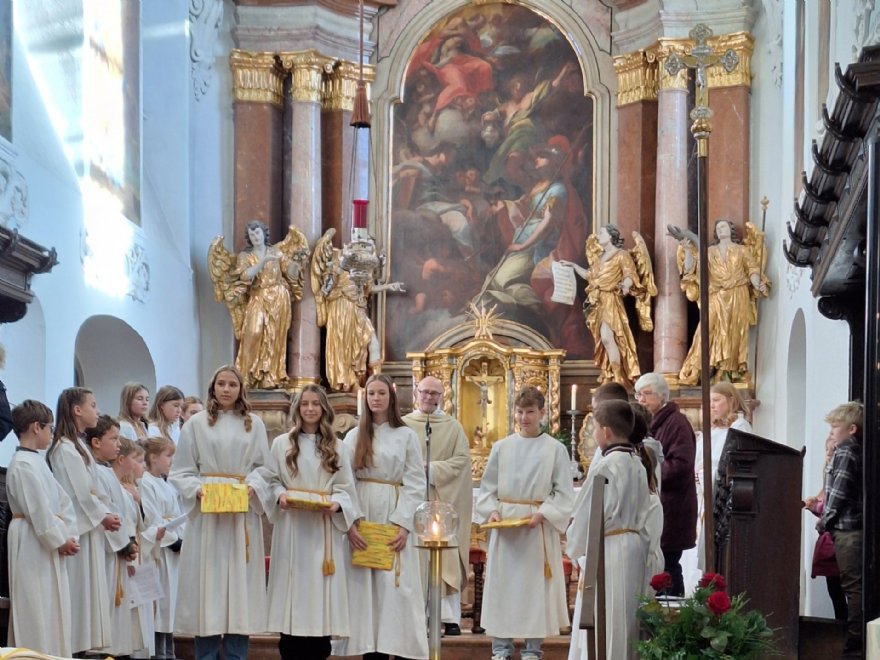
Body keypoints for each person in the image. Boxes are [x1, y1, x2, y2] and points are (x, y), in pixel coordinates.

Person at [169, 365, 270, 660]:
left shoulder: (254, 424)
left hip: (241, 515)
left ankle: (237, 655)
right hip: (208, 515)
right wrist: (197, 490)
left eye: (232, 385)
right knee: (208, 590)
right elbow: (182, 470)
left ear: (241, 390)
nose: (226, 389)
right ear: (213, 387)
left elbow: (265, 469)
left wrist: (253, 485)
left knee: (240, 592)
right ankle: (206, 655)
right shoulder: (196, 424)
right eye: (221, 384)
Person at [256, 384, 361, 660]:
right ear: (297, 408)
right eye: (305, 404)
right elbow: (271, 481)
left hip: (322, 532)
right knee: (292, 604)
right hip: (292, 529)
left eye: (316, 403)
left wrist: (338, 503)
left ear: (324, 409)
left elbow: (346, 487)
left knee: (319, 606)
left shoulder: (336, 446)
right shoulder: (282, 444)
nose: (310, 408)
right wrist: (279, 495)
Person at [334, 374, 429, 660]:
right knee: (366, 589)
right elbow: (344, 481)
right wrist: (350, 523)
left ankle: (398, 649)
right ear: (366, 398)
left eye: (381, 394)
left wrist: (403, 524)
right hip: (362, 515)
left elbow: (415, 482)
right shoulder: (353, 436)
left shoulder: (406, 436)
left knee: (396, 589)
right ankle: (370, 651)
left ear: (391, 398)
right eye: (371, 394)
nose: (376, 399)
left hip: (393, 515)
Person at [475, 386, 574, 660]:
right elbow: (487, 489)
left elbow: (563, 492)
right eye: (519, 411)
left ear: (542, 413)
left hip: (535, 526)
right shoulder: (501, 447)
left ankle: (533, 648)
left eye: (530, 412)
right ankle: (501, 648)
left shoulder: (555, 449)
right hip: (506, 528)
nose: (524, 417)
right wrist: (492, 511)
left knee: (533, 590)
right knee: (502, 587)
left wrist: (544, 513)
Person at [566, 400, 652, 660]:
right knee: (627, 622)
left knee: (610, 621)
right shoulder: (637, 463)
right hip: (634, 548)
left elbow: (586, 516)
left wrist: (575, 546)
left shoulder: (606, 466)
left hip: (609, 551)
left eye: (593, 428)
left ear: (605, 431)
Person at [47, 387, 121, 655]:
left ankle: (84, 649)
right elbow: (78, 493)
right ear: (77, 410)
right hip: (78, 529)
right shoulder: (65, 449)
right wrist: (102, 516)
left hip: (90, 527)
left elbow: (95, 489)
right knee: (78, 593)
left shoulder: (79, 447)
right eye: (93, 404)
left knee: (89, 595)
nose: (97, 410)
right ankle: (74, 649)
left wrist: (106, 512)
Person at [7, 400, 79, 656]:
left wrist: (69, 534)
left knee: (50, 607)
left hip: (44, 540)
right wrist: (60, 540)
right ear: (36, 427)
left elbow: (62, 501)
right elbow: (38, 512)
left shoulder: (36, 462)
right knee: (35, 607)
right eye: (50, 427)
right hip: (31, 542)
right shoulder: (23, 464)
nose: (52, 433)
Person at [403, 375, 473, 636]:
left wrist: (430, 469)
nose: (429, 397)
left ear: (442, 396)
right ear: (416, 393)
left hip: (443, 503)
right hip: (413, 503)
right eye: (425, 392)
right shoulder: (404, 426)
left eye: (435, 393)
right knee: (416, 558)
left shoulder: (452, 427)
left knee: (446, 558)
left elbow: (461, 462)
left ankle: (448, 617)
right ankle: (415, 615)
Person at [208, 222, 309, 390]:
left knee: (274, 338)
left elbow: (291, 274)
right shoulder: (245, 257)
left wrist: (297, 261)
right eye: (252, 234)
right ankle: (246, 376)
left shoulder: (277, 251)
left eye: (258, 233)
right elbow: (245, 276)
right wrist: (263, 262)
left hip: (278, 298)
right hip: (258, 296)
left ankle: (271, 377)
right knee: (253, 333)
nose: (256, 237)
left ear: (264, 234)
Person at [670, 219, 770, 385]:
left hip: (737, 293)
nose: (720, 229)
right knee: (705, 331)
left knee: (733, 333)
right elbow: (691, 269)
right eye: (717, 228)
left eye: (723, 226)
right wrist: (688, 250)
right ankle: (698, 370)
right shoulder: (709, 252)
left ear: (731, 229)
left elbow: (752, 269)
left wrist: (757, 282)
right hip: (715, 295)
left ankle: (725, 372)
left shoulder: (742, 250)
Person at [559, 225, 654, 385]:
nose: (598, 236)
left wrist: (625, 285)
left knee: (608, 337)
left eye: (601, 233)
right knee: (604, 341)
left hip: (611, 300)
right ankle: (611, 375)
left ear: (611, 236)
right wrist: (574, 266)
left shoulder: (622, 255)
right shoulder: (599, 258)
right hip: (597, 303)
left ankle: (617, 377)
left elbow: (630, 274)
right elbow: (590, 276)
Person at [311, 229, 405, 392]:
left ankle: (376, 381)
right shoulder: (337, 259)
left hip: (358, 309)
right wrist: (340, 267)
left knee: (372, 343)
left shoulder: (364, 268)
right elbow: (324, 290)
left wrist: (389, 286)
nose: (367, 248)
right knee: (344, 347)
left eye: (368, 245)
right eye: (364, 243)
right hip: (341, 308)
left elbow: (368, 288)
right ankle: (349, 383)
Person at [86, 416, 144, 660]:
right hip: (107, 552)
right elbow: (105, 510)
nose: (119, 444)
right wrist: (124, 544)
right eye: (114, 439)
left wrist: (129, 542)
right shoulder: (95, 472)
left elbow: (122, 512)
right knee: (106, 615)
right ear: (96, 442)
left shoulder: (108, 472)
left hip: (119, 549)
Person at [633, 372, 696, 597]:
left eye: (646, 394)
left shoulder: (676, 423)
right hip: (659, 505)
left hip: (673, 507)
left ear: (662, 396)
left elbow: (682, 465)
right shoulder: (650, 423)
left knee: (669, 565)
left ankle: (672, 617)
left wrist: (647, 474)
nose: (641, 399)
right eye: (638, 394)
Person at [816, 401, 864, 657]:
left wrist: (825, 520)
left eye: (836, 426)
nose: (832, 431)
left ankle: (856, 639)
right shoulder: (846, 449)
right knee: (850, 583)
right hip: (846, 527)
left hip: (848, 529)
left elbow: (838, 493)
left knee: (852, 584)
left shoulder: (846, 451)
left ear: (852, 429)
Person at [692, 382, 752, 573]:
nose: (711, 405)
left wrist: (706, 469)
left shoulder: (739, 426)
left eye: (716, 400)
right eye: (708, 401)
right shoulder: (712, 431)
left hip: (723, 495)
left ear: (732, 401)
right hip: (705, 492)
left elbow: (736, 461)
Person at [140, 436, 185, 660]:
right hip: (159, 551)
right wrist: (173, 539)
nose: (171, 460)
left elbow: (178, 514)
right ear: (153, 457)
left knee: (170, 605)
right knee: (160, 606)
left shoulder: (166, 483)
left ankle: (169, 651)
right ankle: (159, 653)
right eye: (168, 456)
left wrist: (183, 539)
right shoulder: (145, 482)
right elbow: (152, 519)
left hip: (172, 551)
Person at [804, 435, 847, 621]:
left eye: (834, 450)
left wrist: (817, 510)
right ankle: (842, 627)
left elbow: (833, 507)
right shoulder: (829, 475)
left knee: (843, 592)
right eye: (827, 450)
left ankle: (847, 630)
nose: (829, 455)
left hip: (838, 542)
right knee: (835, 593)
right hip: (830, 542)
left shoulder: (842, 475)